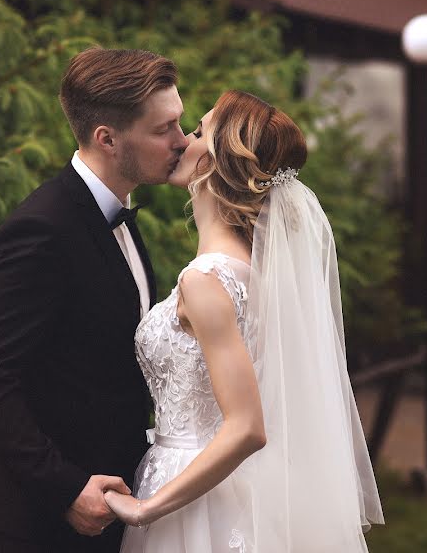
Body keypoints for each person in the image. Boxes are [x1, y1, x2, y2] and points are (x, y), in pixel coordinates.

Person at [104, 90, 384, 552]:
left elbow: (247, 427)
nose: (180, 141)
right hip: (228, 489)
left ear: (218, 163)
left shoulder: (206, 280)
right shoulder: (253, 274)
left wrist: (145, 509)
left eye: (196, 132)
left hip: (195, 500)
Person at [0, 47, 189, 552]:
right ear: (108, 138)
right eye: (163, 129)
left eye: (181, 124)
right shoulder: (42, 228)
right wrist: (65, 486)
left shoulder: (120, 214)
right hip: (41, 523)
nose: (182, 141)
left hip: (113, 509)